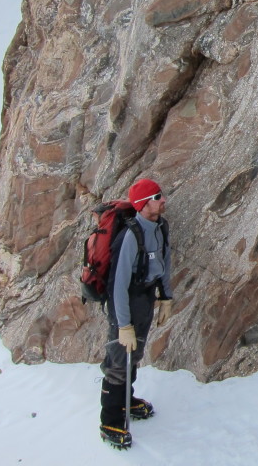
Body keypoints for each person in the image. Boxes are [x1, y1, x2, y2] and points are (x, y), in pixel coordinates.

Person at [99, 178, 173, 449]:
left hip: (145, 299)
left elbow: (165, 263)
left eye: (160, 194)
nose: (163, 200)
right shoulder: (130, 235)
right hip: (126, 302)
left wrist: (166, 297)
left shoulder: (161, 226)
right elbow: (117, 284)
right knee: (119, 360)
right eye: (157, 196)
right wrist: (123, 324)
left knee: (135, 354)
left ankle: (125, 402)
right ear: (143, 204)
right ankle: (110, 420)